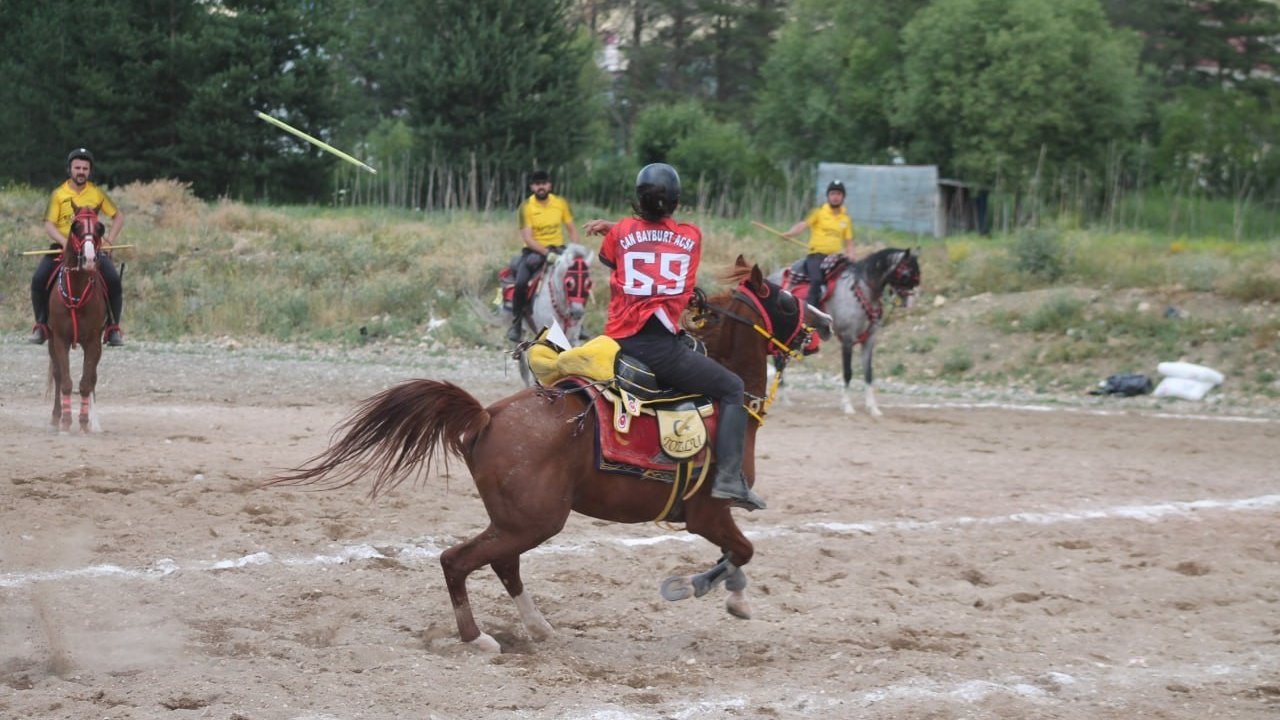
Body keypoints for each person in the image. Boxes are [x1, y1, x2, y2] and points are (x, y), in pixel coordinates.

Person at [584, 163, 766, 511]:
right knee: (732, 388)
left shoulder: (620, 233)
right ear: (676, 202)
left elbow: (621, 250)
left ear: (637, 200)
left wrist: (613, 227)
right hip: (658, 347)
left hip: (617, 341)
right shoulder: (691, 237)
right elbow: (660, 246)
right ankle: (729, 478)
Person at [30, 148, 127, 346]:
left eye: (85, 168)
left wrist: (110, 239)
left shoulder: (97, 193)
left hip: (91, 248)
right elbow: (49, 224)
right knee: (39, 279)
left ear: (89, 171)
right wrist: (65, 242)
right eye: (77, 168)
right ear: (69, 169)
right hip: (62, 248)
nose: (81, 171)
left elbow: (118, 216)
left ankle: (112, 328)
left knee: (113, 281)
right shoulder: (58, 194)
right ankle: (41, 325)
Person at [508, 169, 580, 342]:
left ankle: (579, 323)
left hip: (560, 250)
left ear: (549, 185)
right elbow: (527, 237)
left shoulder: (560, 203)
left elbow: (572, 230)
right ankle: (516, 324)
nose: (541, 187)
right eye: (537, 184)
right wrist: (546, 253)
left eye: (544, 183)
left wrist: (574, 250)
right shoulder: (526, 207)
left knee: (577, 280)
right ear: (532, 186)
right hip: (534, 251)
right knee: (521, 282)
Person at [782, 179, 854, 311]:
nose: (835, 197)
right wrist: (790, 233)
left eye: (838, 194)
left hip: (836, 258)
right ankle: (809, 311)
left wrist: (851, 255)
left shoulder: (846, 219)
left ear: (843, 197)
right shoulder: (818, 213)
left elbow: (849, 242)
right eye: (832, 193)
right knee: (816, 280)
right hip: (817, 256)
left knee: (850, 279)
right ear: (828, 196)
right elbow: (803, 225)